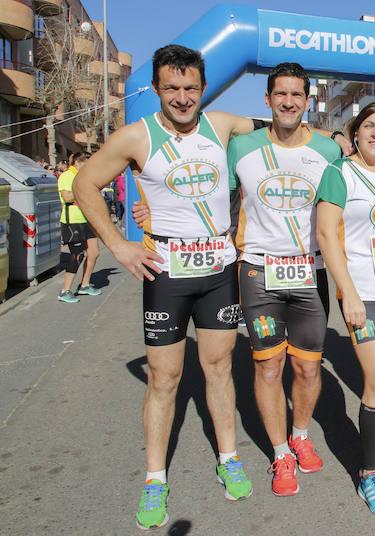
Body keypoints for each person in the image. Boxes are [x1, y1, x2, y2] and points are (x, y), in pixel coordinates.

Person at [73, 44, 257, 530]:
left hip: (218, 268)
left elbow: (283, 128)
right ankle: (156, 478)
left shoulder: (221, 125)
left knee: (218, 368)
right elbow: (84, 184)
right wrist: (119, 246)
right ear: (156, 88)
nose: (181, 97)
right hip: (167, 273)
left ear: (202, 88)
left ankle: (229, 456)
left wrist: (337, 141)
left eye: (190, 88)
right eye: (171, 88)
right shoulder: (136, 136)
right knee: (164, 378)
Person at [227, 63, 340, 495]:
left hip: (310, 272)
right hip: (258, 271)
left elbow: (343, 210)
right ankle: (280, 454)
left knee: (308, 370)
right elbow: (214, 196)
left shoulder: (329, 151)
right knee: (269, 366)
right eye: (280, 95)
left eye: (296, 95)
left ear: (307, 101)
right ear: (268, 100)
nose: (288, 102)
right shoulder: (242, 148)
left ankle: (301, 434)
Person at [316, 102, 375, 515]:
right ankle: (368, 472)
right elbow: (326, 234)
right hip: (365, 295)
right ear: (355, 132)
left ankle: (373, 451)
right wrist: (349, 293)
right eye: (369, 126)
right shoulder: (339, 173)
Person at [57, 152, 102, 303]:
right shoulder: (67, 176)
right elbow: (67, 197)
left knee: (94, 252)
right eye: (86, 164)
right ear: (77, 162)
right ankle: (65, 290)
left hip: (87, 219)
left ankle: (84, 285)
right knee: (78, 254)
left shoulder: (84, 177)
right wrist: (84, 190)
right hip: (73, 220)